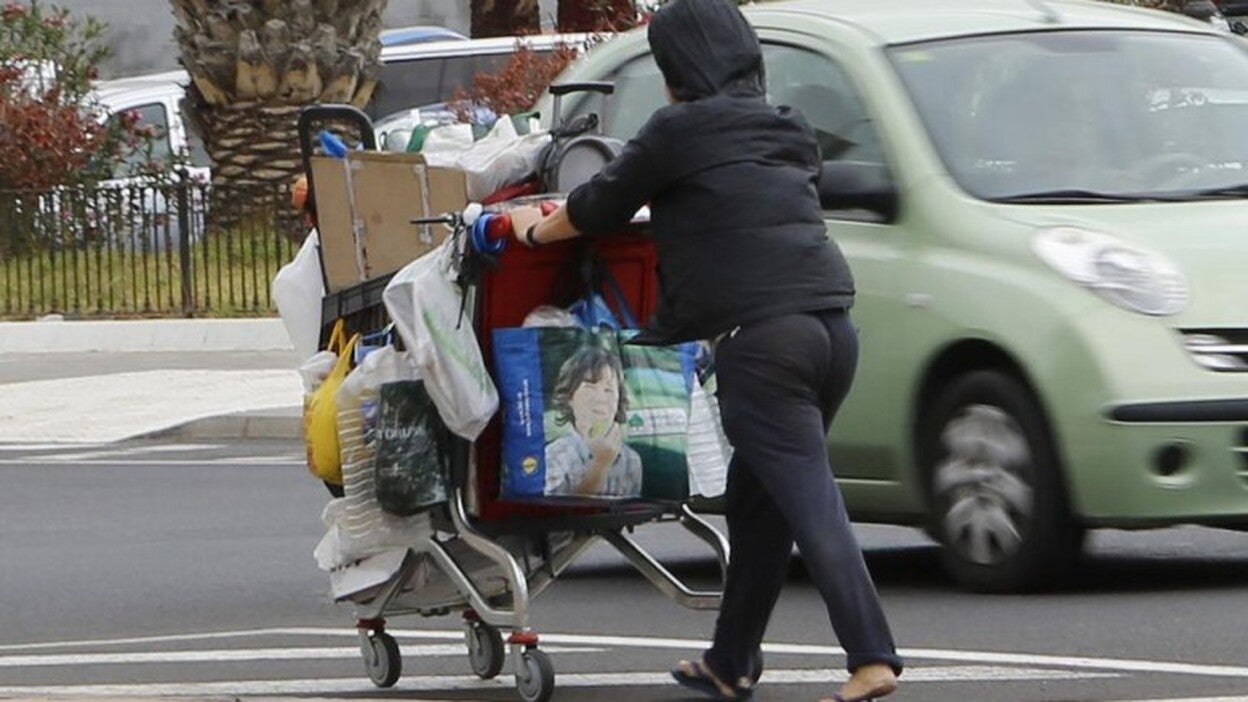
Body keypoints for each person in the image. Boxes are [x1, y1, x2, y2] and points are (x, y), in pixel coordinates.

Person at [507, 0, 903, 699]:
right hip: (833, 330)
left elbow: (600, 203)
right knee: (760, 510)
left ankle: (872, 657)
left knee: (810, 499)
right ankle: (731, 662)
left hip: (762, 343)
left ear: (679, 69)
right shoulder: (788, 127)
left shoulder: (677, 130)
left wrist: (532, 233)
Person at [543, 342, 643, 498]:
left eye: (609, 390)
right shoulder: (553, 457)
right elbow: (560, 515)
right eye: (590, 387)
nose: (600, 398)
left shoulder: (632, 460)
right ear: (570, 397)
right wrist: (600, 464)